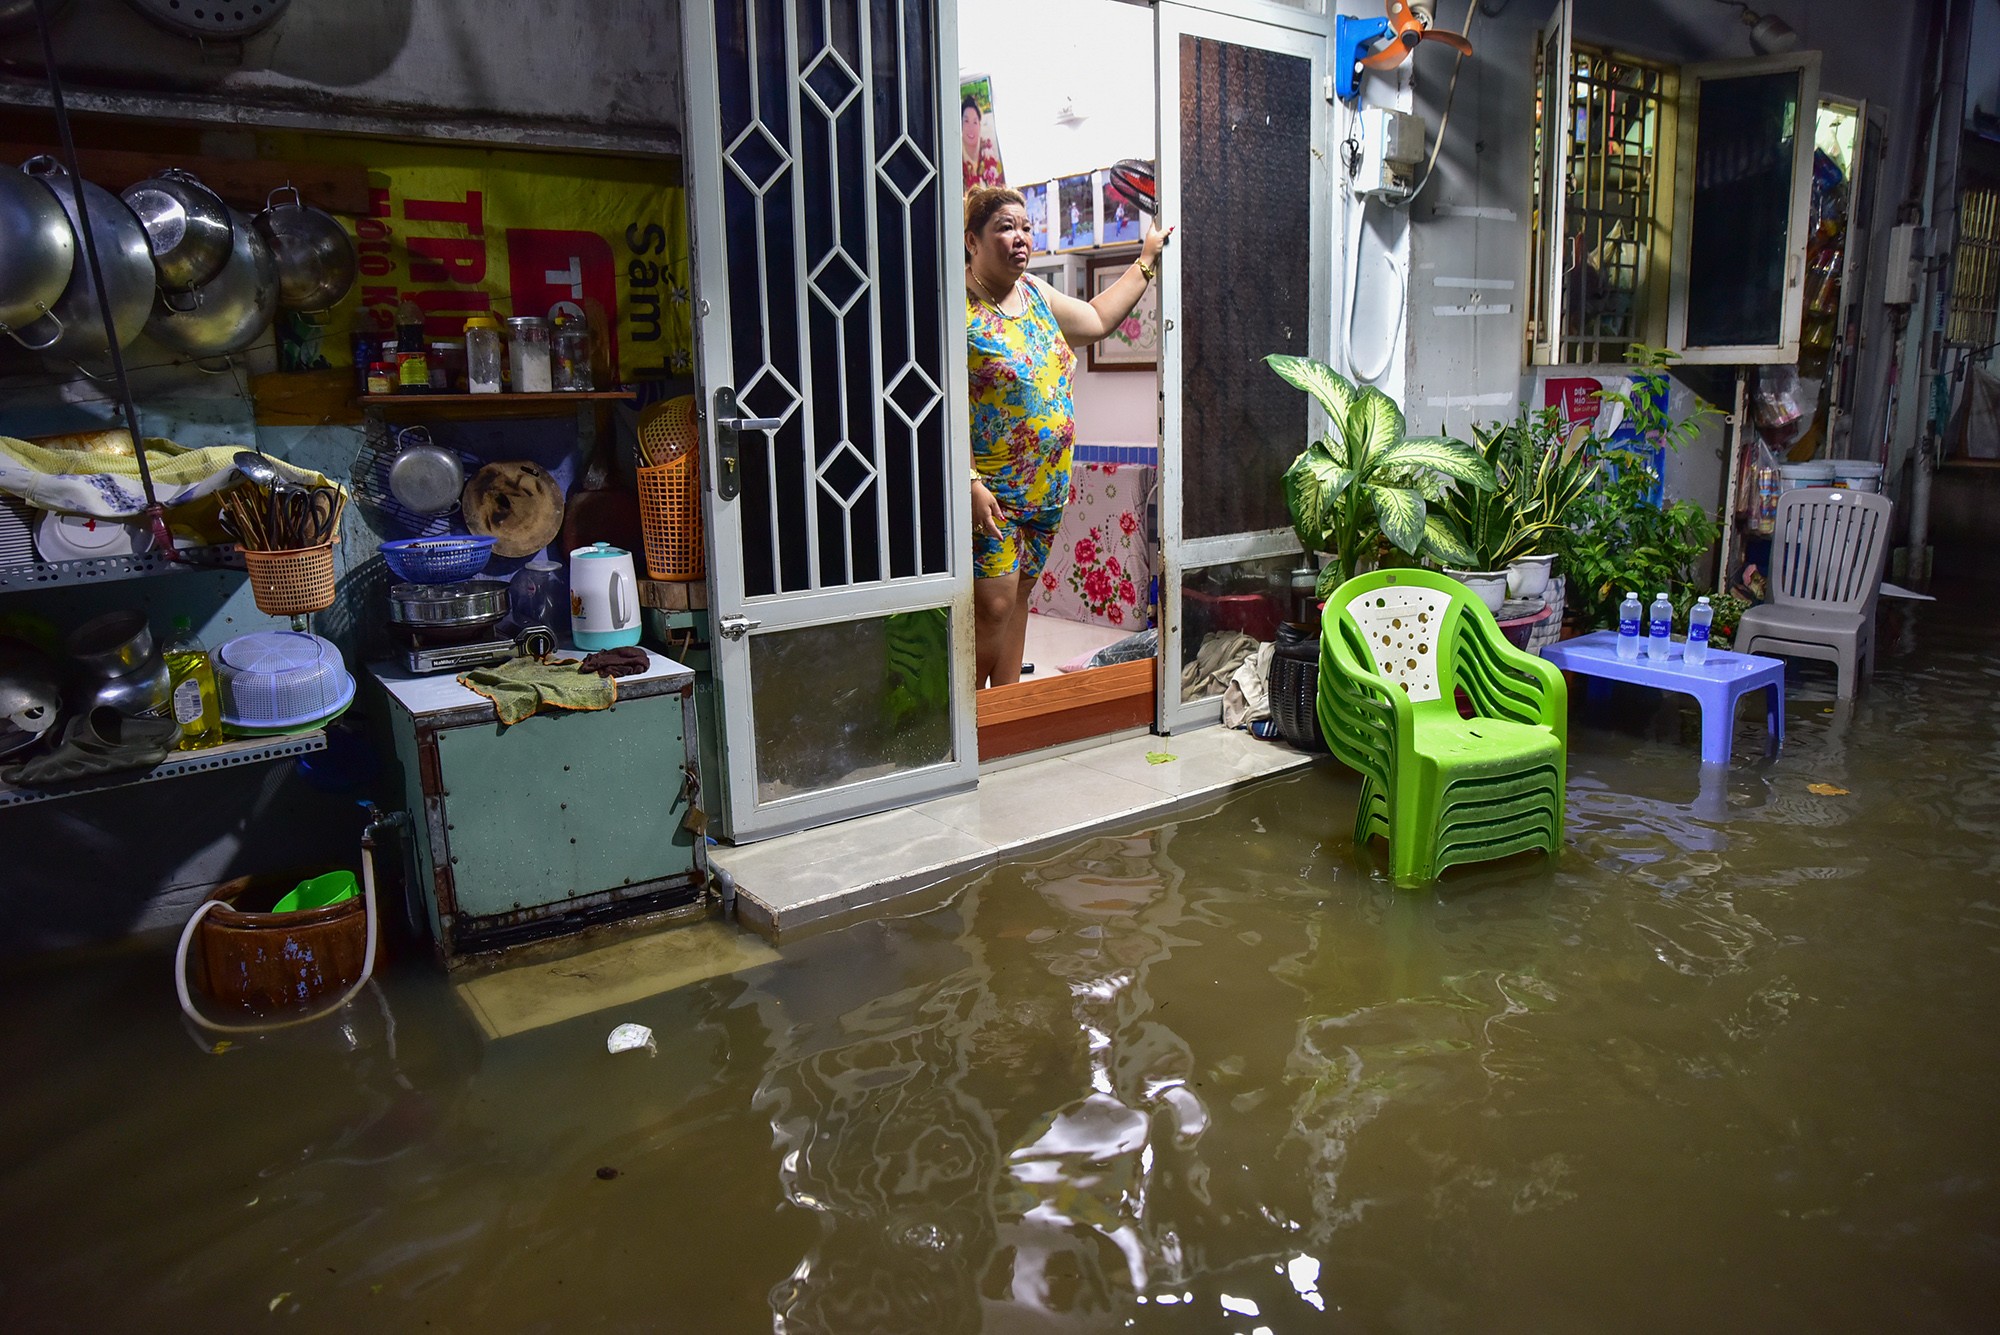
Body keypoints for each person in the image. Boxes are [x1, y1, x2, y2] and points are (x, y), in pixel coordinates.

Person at [964, 185, 1171, 689]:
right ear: (972, 241)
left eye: (1025, 227)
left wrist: (1146, 260)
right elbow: (944, 404)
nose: (1020, 237)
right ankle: (962, 719)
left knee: (1019, 598)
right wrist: (967, 479)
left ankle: (1006, 710)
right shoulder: (958, 308)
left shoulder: (1035, 294)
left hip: (1047, 491)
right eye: (1005, 228)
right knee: (992, 607)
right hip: (991, 494)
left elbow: (1097, 319)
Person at [961, 95, 1003, 193]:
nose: (971, 128)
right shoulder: (955, 158)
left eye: (975, 122)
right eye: (966, 121)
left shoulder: (990, 155)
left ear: (979, 125)